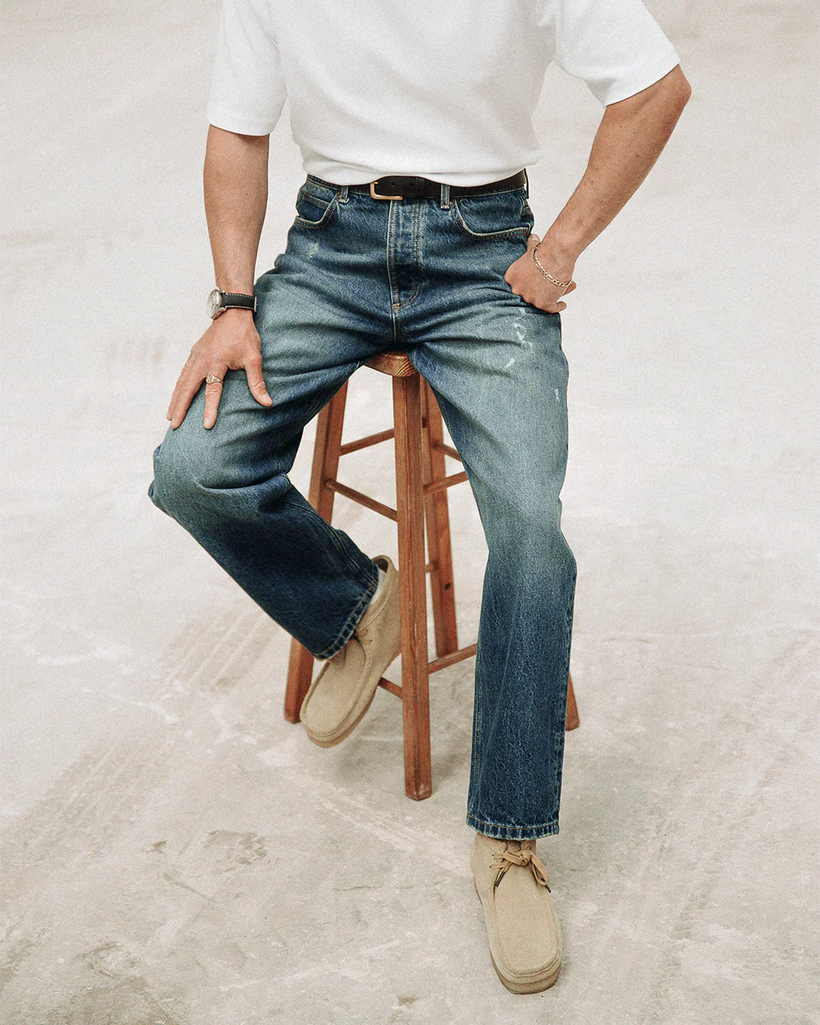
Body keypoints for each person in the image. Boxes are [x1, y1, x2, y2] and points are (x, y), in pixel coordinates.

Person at [147, 0, 690, 994]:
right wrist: (232, 303)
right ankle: (359, 606)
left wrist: (559, 249)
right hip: (331, 245)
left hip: (482, 250)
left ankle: (510, 841)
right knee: (194, 467)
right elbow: (237, 127)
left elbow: (655, 87)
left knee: (530, 532)